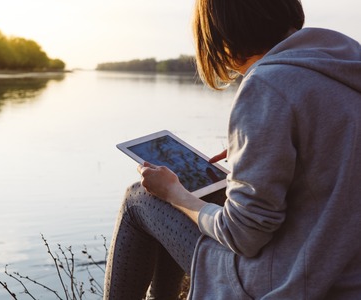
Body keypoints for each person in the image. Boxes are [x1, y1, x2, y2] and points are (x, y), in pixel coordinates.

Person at [103, 0, 361, 299]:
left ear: (220, 32)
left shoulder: (268, 83)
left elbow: (245, 235)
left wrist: (176, 195)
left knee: (140, 198)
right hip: (343, 270)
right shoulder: (342, 68)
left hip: (291, 282)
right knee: (202, 192)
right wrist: (255, 150)